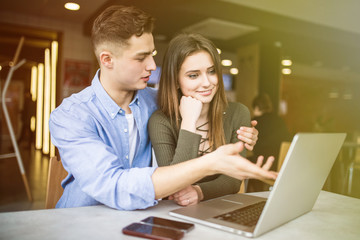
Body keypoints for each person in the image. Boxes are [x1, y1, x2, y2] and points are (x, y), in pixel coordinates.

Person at [49, 5, 277, 211]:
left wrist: (246, 133)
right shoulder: (70, 116)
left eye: (152, 54)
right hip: (82, 220)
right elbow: (115, 187)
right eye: (141, 58)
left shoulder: (158, 101)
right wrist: (211, 162)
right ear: (107, 60)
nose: (152, 65)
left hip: (144, 217)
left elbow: (204, 107)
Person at [148, 33, 265, 206]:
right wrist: (189, 122)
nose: (207, 83)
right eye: (193, 75)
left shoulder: (238, 112)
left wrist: (200, 192)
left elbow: (233, 179)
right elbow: (173, 183)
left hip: (222, 208)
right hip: (176, 214)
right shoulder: (161, 121)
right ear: (176, 81)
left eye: (211, 71)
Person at [247, 93, 291, 192]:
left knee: (246, 162)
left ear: (257, 108)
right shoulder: (279, 120)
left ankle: (254, 193)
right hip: (280, 164)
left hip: (262, 163)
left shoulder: (255, 122)